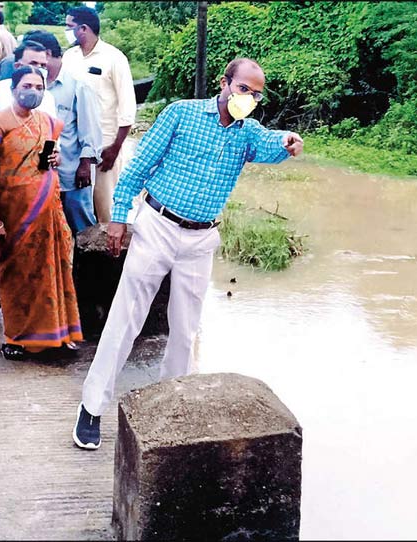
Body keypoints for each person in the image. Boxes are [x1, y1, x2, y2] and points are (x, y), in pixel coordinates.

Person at [72, 58, 304, 449]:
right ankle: (92, 406)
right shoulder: (181, 113)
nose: (248, 97)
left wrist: (288, 140)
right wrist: (119, 219)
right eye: (243, 88)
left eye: (256, 93)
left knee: (185, 330)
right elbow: (138, 168)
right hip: (157, 226)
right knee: (125, 318)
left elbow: (271, 143)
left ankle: (169, 407)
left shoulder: (248, 133)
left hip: (200, 240)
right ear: (225, 83)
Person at [0, 66, 83, 361]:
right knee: (17, 275)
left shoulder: (49, 124)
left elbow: (51, 161)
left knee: (54, 270)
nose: (34, 91)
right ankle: (16, 337)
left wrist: (57, 157)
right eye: (27, 85)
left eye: (39, 87)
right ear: (13, 88)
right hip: (14, 214)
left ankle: (58, 334)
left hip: (48, 209)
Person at [62, 6, 135, 223]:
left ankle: (111, 255)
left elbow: (127, 107)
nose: (66, 31)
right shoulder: (69, 57)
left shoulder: (114, 58)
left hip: (105, 146)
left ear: (83, 29)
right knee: (76, 210)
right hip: (75, 146)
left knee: (105, 208)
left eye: (69, 26)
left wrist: (115, 148)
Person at [32, 30, 101, 234]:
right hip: (42, 175)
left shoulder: (77, 84)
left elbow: (90, 128)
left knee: (82, 228)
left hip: (72, 173)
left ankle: (87, 267)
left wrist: (85, 164)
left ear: (47, 53)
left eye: (38, 61)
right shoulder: (33, 86)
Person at [0, 39, 56, 123]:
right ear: (17, 66)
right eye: (33, 63)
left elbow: (51, 130)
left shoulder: (47, 97)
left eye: (43, 65)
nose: (39, 68)